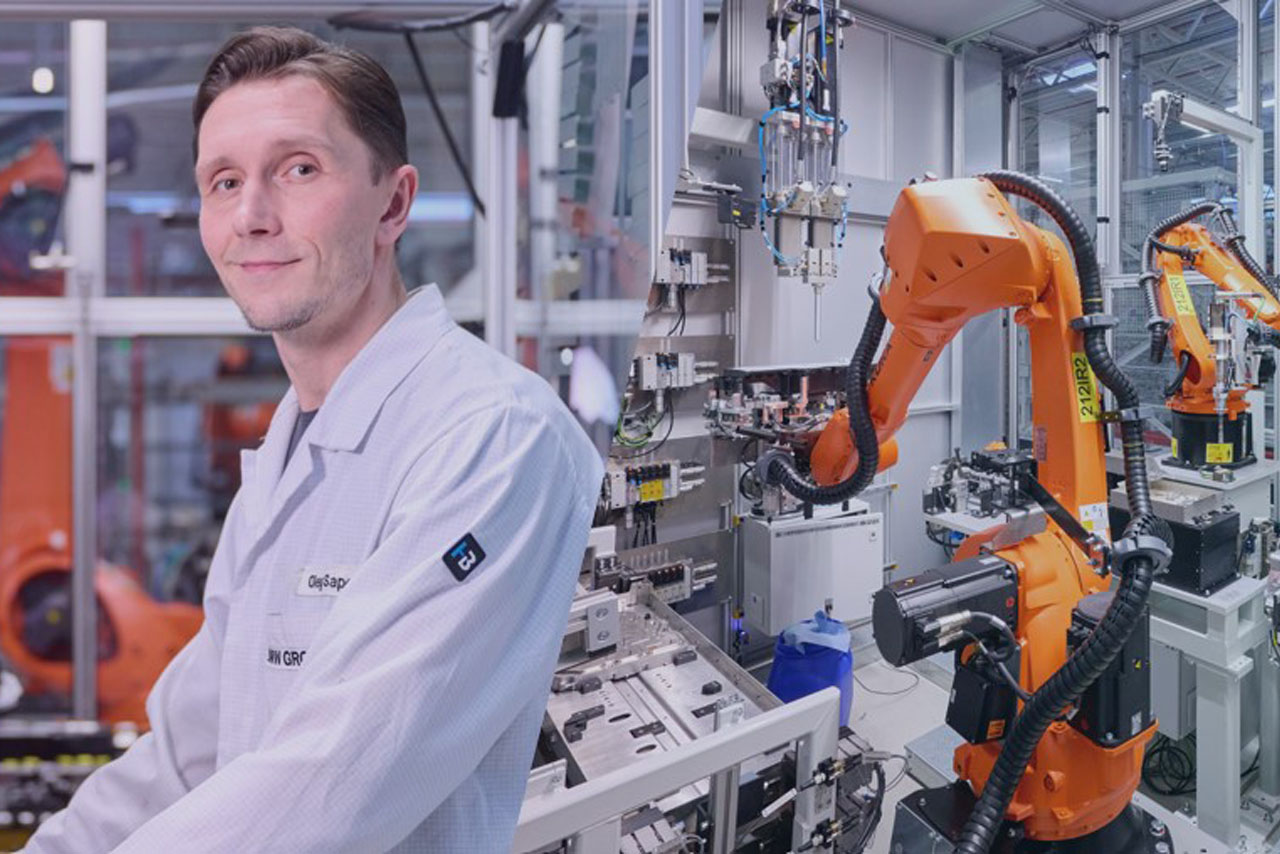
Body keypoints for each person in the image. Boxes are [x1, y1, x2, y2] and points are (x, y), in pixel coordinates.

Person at [23, 26, 603, 853]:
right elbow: (186, 758)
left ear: (392, 204)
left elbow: (332, 784)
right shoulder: (288, 461)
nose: (253, 215)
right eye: (223, 182)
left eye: (299, 168)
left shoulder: (493, 438)